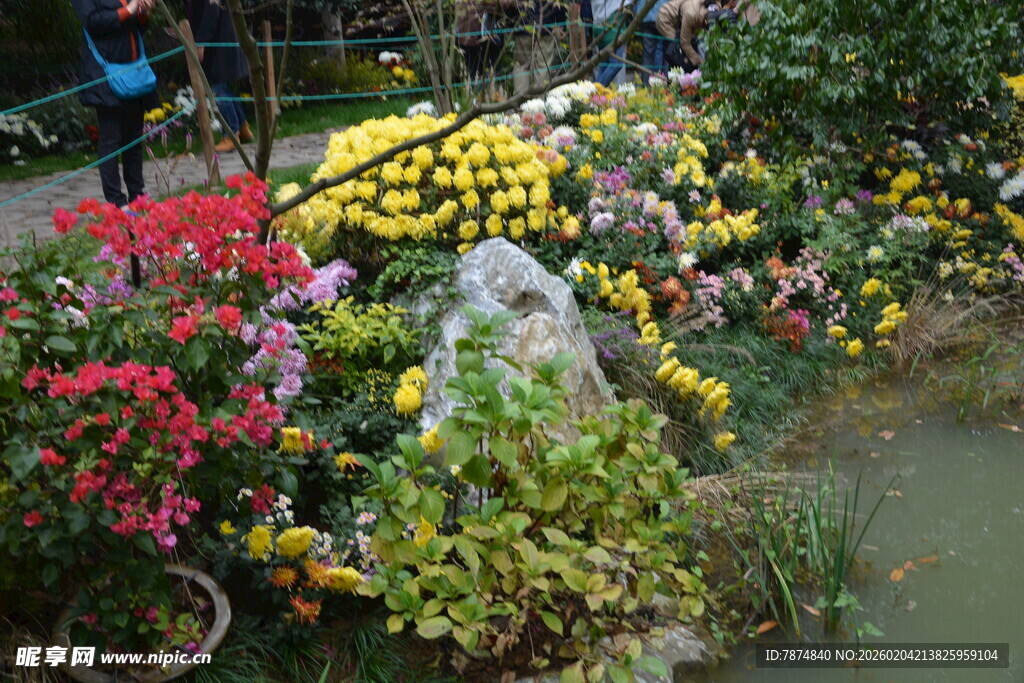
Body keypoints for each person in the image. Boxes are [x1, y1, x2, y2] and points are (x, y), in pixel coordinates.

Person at [70, 0, 156, 209]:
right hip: (106, 76)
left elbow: (137, 27)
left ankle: (137, 196)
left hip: (133, 74)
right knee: (111, 139)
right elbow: (92, 22)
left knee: (134, 139)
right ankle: (117, 202)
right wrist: (129, 10)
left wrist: (143, 13)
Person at [192, 0, 252, 151]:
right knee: (222, 86)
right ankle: (242, 126)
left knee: (217, 87)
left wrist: (201, 42)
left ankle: (231, 134)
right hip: (222, 38)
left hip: (217, 42)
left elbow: (211, 11)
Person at [499, 0, 573, 96]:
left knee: (522, 66)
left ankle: (520, 102)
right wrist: (560, 23)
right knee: (543, 67)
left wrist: (512, 22)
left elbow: (509, 4)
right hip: (545, 27)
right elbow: (558, 3)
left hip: (524, 26)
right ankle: (540, 102)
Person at [457, 1, 502, 87]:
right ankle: (487, 96)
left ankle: (476, 97)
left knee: (474, 72)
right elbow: (494, 5)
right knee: (490, 70)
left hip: (465, 35)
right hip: (481, 36)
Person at [591, 0, 632, 86]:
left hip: (598, 26)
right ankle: (597, 91)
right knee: (616, 64)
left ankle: (594, 92)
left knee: (604, 65)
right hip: (611, 26)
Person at [640, 0, 669, 82]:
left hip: (646, 16)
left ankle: (646, 83)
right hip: (663, 15)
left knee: (648, 53)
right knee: (662, 50)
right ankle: (661, 82)